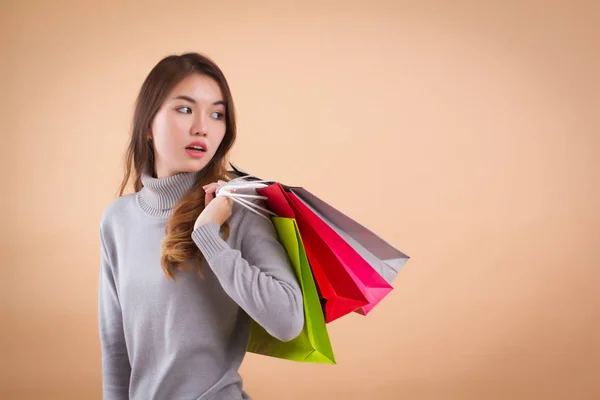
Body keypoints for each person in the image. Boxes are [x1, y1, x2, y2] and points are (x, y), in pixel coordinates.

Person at [98, 52, 305, 400]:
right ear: (148, 124)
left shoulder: (237, 211)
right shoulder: (117, 220)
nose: (202, 126)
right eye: (184, 109)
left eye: (217, 114)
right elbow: (116, 351)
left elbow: (287, 321)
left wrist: (209, 236)